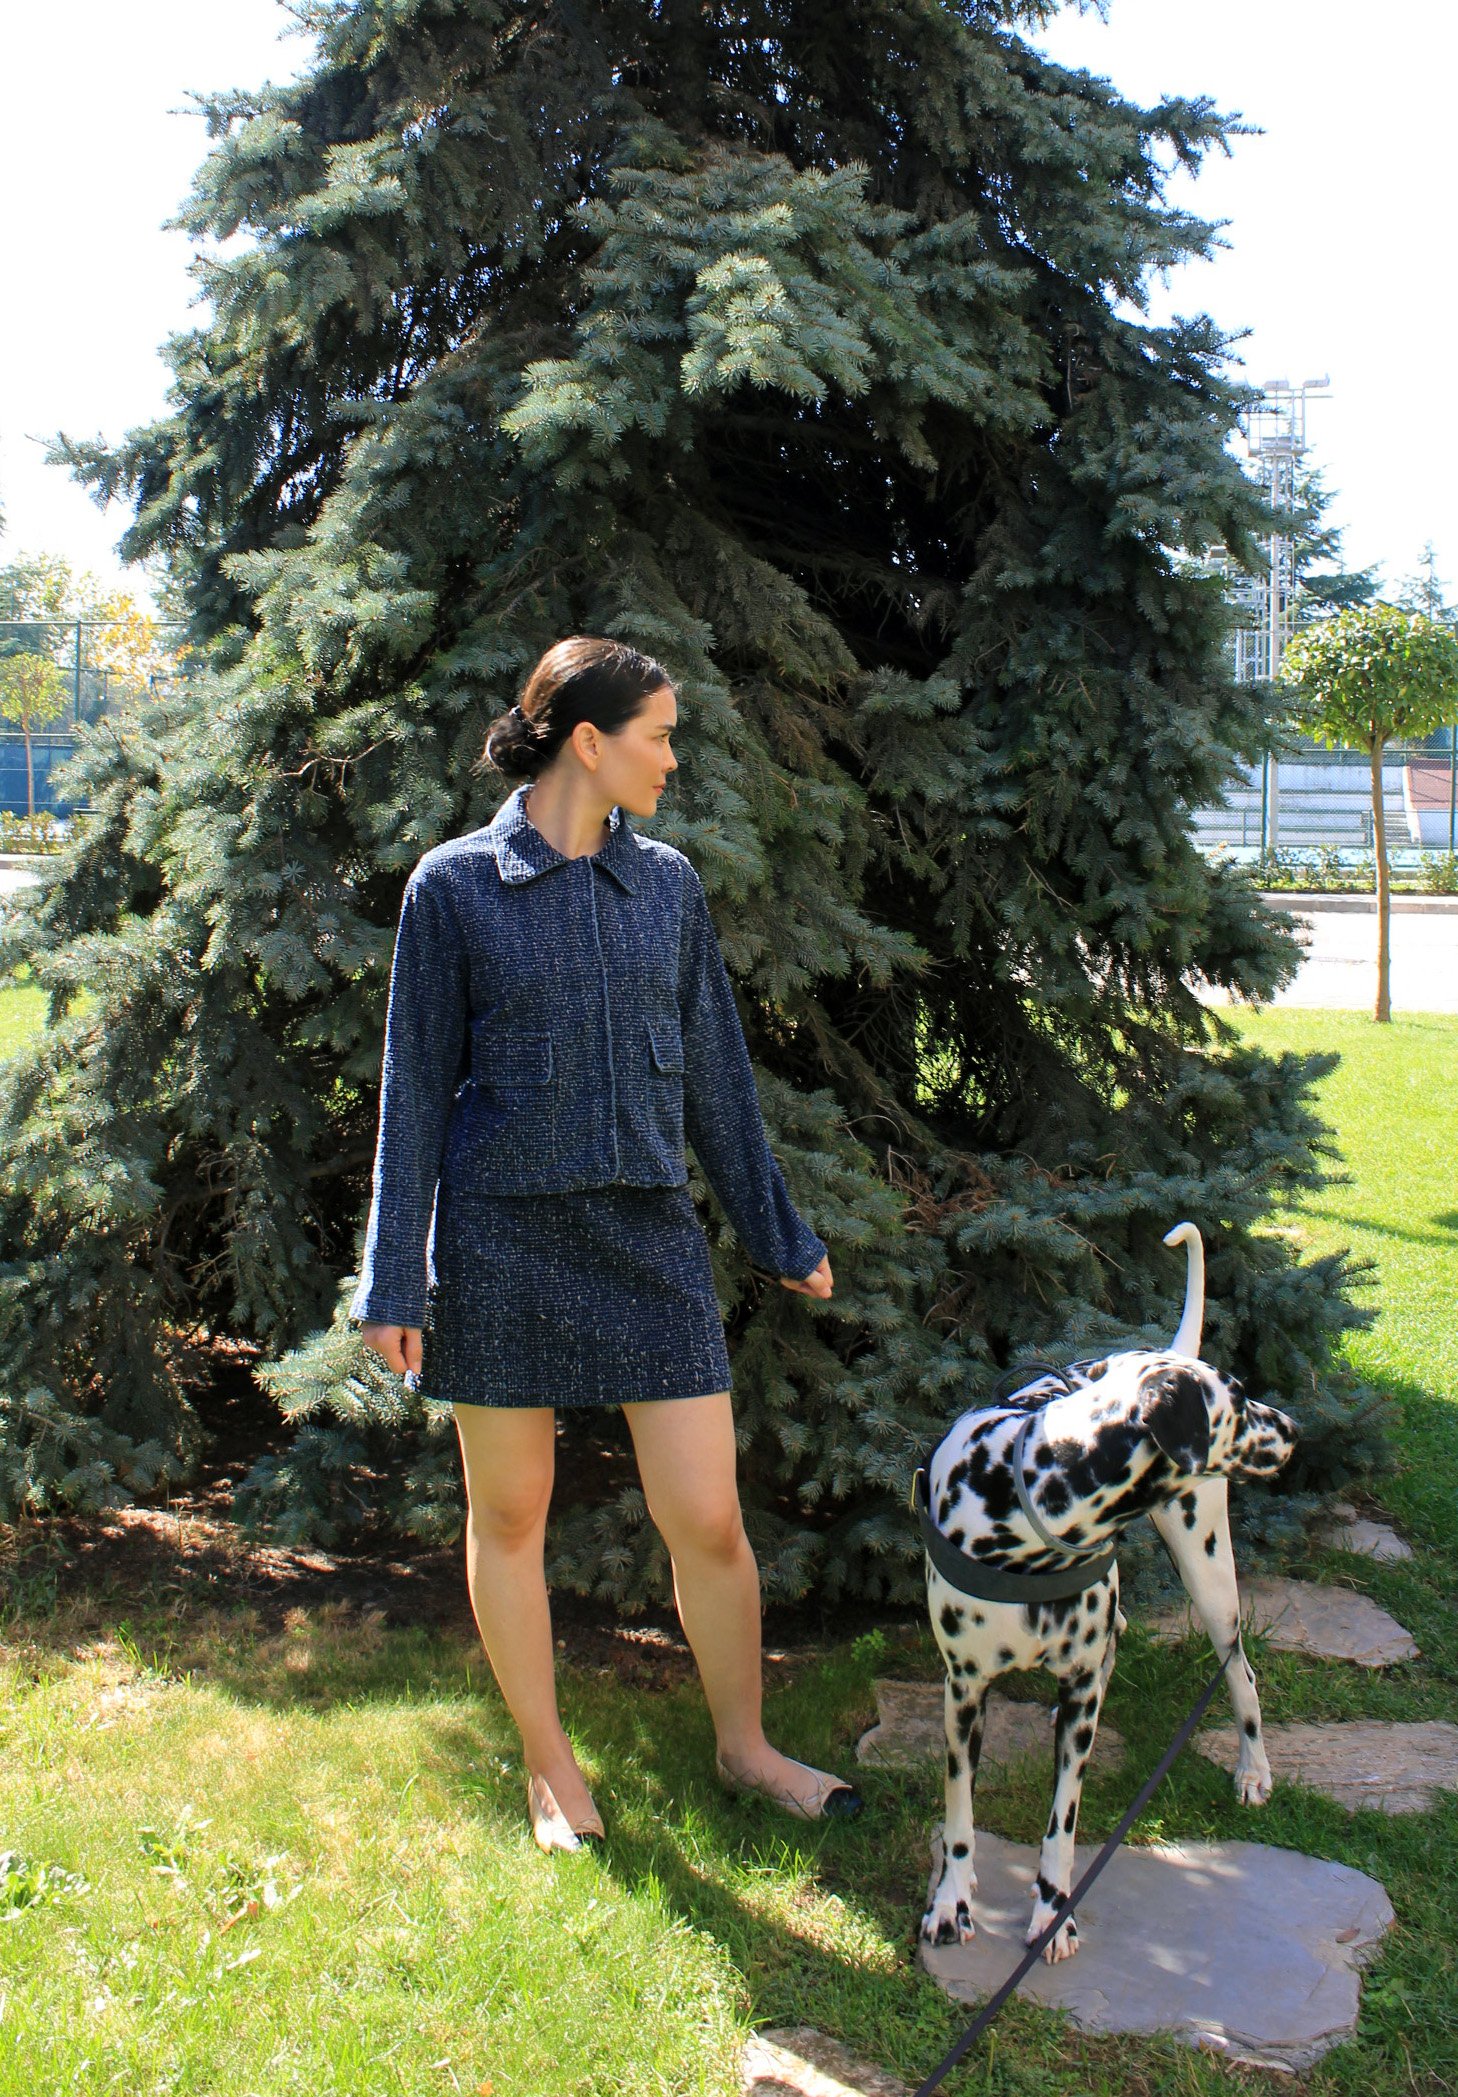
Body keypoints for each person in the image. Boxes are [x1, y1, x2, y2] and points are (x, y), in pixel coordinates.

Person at [351, 636, 861, 1852]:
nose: (674, 760)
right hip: (500, 1239)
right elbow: (412, 1093)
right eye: (660, 737)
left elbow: (720, 1079)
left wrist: (775, 1229)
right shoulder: (453, 887)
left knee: (710, 1517)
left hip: (647, 1235)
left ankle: (746, 1748)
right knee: (511, 1516)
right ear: (589, 741)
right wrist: (393, 1276)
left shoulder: (667, 886)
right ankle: (549, 1767)